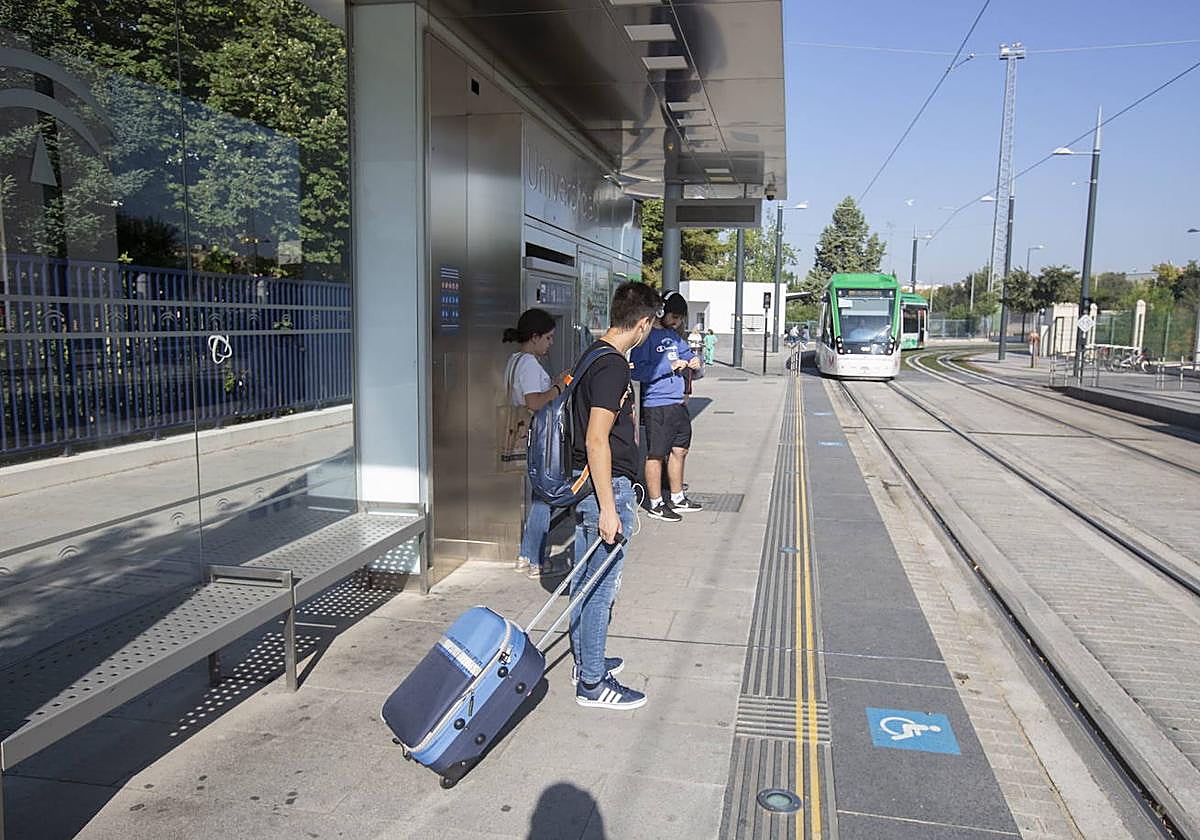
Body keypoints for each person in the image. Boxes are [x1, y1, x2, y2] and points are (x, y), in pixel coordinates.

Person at [570, 281, 660, 710]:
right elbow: (596, 439)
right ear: (642, 323)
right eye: (650, 325)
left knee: (584, 582)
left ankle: (585, 661)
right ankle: (592, 682)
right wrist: (609, 507)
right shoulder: (613, 368)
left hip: (586, 485)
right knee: (600, 588)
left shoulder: (593, 354)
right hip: (604, 488)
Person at [503, 308, 568, 579]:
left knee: (538, 496)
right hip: (537, 437)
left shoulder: (514, 360)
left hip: (520, 434)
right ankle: (536, 561)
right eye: (548, 338)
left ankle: (525, 554)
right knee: (543, 496)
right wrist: (559, 387)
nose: (551, 343)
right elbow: (534, 402)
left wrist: (551, 384)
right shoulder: (529, 363)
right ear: (535, 336)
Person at [630, 290, 704, 523]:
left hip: (678, 403)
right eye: (674, 316)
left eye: (680, 318)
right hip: (657, 404)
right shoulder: (646, 338)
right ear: (661, 312)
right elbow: (637, 370)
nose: (677, 322)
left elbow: (689, 357)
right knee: (656, 454)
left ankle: (677, 496)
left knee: (680, 450)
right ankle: (655, 502)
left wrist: (695, 361)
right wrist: (668, 367)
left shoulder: (674, 337)